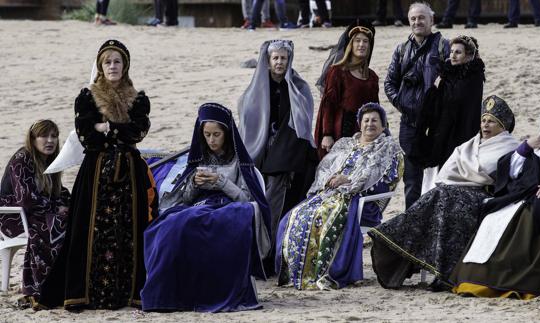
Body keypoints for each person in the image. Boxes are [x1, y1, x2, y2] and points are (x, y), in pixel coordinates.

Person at [369, 96, 519, 291]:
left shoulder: (511, 147)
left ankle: (442, 272)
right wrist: (465, 178)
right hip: (453, 192)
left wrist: (466, 176)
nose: (485, 125)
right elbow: (446, 173)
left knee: (444, 200)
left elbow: (496, 178)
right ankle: (396, 242)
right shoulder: (469, 145)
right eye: (483, 120)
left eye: (491, 121)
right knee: (436, 198)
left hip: (483, 197)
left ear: (502, 125)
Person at [141, 103, 271, 312]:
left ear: (226, 134)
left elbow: (246, 199)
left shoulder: (239, 162)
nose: (211, 140)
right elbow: (186, 199)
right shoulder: (199, 159)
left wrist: (221, 182)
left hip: (228, 207)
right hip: (199, 206)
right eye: (207, 134)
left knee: (198, 222)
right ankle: (168, 295)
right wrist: (194, 183)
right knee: (171, 225)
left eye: (217, 134)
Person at [58, 39, 158, 310]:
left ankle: (127, 293)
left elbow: (137, 132)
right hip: (96, 172)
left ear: (125, 65)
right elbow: (86, 136)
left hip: (129, 173)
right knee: (91, 230)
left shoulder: (139, 99)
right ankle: (88, 295)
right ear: (100, 67)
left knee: (129, 230)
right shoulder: (86, 97)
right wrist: (112, 131)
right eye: (108, 62)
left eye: (117, 61)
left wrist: (107, 127)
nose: (113, 66)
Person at [451, 92, 540, 298]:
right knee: (492, 213)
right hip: (526, 198)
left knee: (523, 217)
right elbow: (512, 172)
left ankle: (511, 281)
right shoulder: (539, 146)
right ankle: (476, 279)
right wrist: (525, 148)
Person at [276, 103, 403, 290]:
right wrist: (331, 179)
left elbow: (385, 181)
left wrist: (349, 180)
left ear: (383, 126)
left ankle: (323, 273)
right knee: (294, 216)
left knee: (321, 218)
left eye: (375, 120)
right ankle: (295, 273)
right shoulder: (345, 144)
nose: (370, 124)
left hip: (358, 200)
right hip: (328, 194)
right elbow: (325, 168)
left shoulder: (388, 149)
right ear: (359, 124)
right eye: (366, 120)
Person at [238, 40, 317, 273]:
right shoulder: (256, 88)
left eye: (283, 58)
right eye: (276, 58)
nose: (280, 62)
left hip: (288, 152)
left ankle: (271, 253)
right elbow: (247, 118)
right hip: (260, 151)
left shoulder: (299, 87)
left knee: (278, 196)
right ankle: (258, 250)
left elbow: (303, 121)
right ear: (268, 61)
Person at [384, 1, 450, 210]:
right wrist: (402, 104)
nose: (417, 22)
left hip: (437, 124)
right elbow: (389, 83)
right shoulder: (401, 49)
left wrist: (437, 107)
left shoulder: (443, 46)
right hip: (410, 123)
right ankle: (411, 223)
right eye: (413, 18)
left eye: (422, 17)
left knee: (438, 177)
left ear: (432, 20)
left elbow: (454, 79)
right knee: (412, 181)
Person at [0, 120, 70, 310]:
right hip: (13, 216)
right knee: (53, 225)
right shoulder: (22, 159)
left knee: (70, 220)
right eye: (44, 136)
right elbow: (26, 198)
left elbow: (58, 191)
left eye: (54, 136)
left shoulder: (50, 161)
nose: (50, 140)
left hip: (35, 213)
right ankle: (41, 287)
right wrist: (55, 209)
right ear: (32, 139)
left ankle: (64, 283)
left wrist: (67, 204)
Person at [411, 35, 485, 171]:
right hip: (442, 129)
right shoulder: (446, 73)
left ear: (469, 55)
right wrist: (436, 88)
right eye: (451, 51)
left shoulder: (474, 77)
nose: (453, 56)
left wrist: (441, 86)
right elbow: (433, 102)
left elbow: (462, 103)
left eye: (458, 52)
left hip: (461, 131)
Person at [315, 20, 379, 159]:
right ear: (351, 44)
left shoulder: (372, 76)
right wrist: (327, 134)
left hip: (365, 131)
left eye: (365, 41)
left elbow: (376, 108)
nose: (361, 45)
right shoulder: (338, 71)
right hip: (342, 130)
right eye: (357, 41)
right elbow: (328, 105)